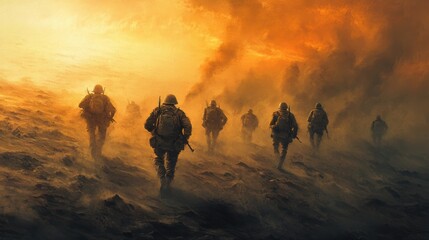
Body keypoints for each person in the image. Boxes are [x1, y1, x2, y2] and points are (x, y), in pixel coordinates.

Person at [144, 94, 192, 195]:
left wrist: (153, 131)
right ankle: (168, 183)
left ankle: (162, 179)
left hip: (160, 142)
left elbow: (147, 124)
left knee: (158, 159)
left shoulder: (158, 110)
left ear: (165, 102)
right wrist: (185, 138)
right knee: (171, 164)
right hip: (174, 143)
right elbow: (188, 126)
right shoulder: (179, 113)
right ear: (175, 102)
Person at [79, 84, 116, 160]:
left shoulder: (89, 97)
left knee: (91, 135)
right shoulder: (105, 98)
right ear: (102, 91)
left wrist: (87, 108)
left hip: (91, 119)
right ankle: (98, 152)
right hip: (102, 120)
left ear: (94, 90)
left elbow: (80, 105)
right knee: (101, 137)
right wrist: (110, 118)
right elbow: (113, 110)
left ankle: (92, 153)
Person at [270, 102, 298, 170]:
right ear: (286, 108)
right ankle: (280, 163)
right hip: (286, 135)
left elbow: (271, 124)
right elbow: (295, 126)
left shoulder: (276, 113)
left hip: (276, 134)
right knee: (284, 149)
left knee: (275, 147)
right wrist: (294, 135)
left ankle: (277, 159)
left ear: (279, 107)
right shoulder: (291, 115)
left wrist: (274, 127)